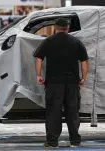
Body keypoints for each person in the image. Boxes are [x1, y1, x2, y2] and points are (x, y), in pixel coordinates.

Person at [33, 18, 89, 148]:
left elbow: (38, 58)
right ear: (67, 28)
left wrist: (38, 75)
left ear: (55, 27)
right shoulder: (76, 42)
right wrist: (83, 78)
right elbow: (84, 62)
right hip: (71, 83)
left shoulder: (48, 41)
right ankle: (75, 141)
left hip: (54, 83)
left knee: (53, 113)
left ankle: (52, 142)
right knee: (73, 112)